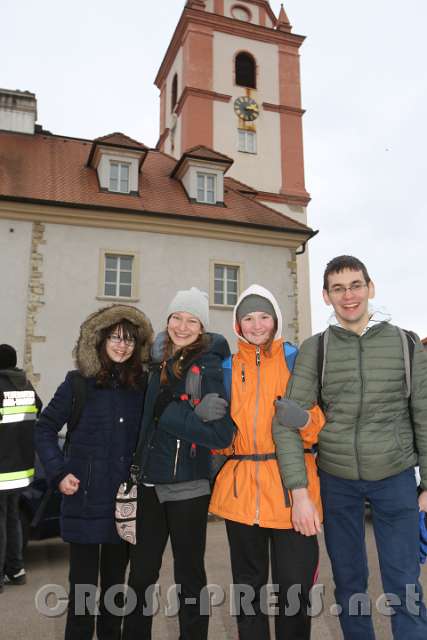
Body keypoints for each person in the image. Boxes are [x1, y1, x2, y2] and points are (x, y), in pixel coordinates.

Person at [273, 255, 427, 639]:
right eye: (338, 288)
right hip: (337, 480)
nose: (349, 295)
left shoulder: (407, 344)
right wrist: (299, 490)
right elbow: (287, 420)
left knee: (405, 582)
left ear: (370, 288)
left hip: (395, 478)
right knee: (349, 582)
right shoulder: (315, 349)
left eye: (355, 285)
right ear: (326, 296)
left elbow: (424, 416)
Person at [209, 284, 324, 640]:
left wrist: (305, 421)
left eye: (263, 316)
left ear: (275, 320)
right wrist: (210, 428)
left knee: (294, 591)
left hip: (294, 492)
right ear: (237, 324)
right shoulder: (224, 368)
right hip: (242, 493)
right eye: (248, 317)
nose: (257, 325)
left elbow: (320, 426)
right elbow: (221, 444)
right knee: (248, 590)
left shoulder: (297, 360)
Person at [35, 304, 153, 640]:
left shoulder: (142, 386)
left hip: (123, 506)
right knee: (83, 596)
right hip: (84, 500)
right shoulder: (78, 384)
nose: (122, 345)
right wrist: (58, 473)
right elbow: (44, 429)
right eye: (115, 337)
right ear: (99, 341)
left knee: (115, 594)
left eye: (129, 339)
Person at [122, 287, 234, 640]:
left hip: (188, 486)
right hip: (150, 483)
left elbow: (222, 436)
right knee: (140, 575)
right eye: (176, 318)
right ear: (167, 320)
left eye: (191, 320)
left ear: (202, 327)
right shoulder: (155, 364)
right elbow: (145, 425)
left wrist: (172, 414)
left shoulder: (210, 367)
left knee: (189, 577)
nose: (182, 326)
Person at [0, 344, 42, 593]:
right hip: (21, 467)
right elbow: (39, 411)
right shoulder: (26, 386)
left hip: (1, 466)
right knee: (12, 517)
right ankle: (16, 570)